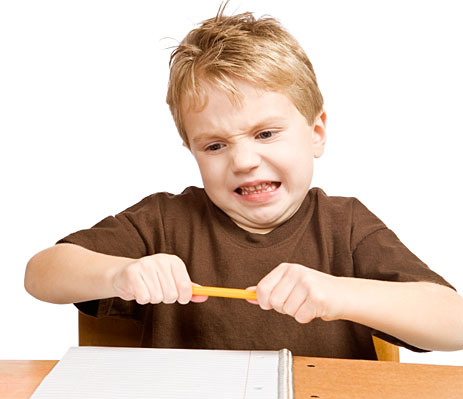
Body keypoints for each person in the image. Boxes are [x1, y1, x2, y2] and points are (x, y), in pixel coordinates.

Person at [24, 6, 463, 358]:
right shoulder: (164, 221)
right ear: (191, 150)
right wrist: (119, 274)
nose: (244, 161)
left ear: (316, 133)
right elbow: (40, 273)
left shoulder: (345, 226)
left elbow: (453, 323)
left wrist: (340, 294)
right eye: (214, 146)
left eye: (265, 134)